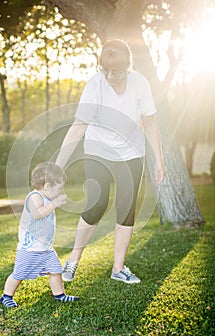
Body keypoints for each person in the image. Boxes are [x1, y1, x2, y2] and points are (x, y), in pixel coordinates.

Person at [55, 39, 165, 284]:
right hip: (97, 150)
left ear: (128, 67)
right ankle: (72, 261)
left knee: (126, 208)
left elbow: (150, 122)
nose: (109, 75)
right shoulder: (95, 85)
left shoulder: (140, 84)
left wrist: (159, 157)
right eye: (105, 70)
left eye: (115, 71)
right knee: (96, 203)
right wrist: (59, 164)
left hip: (131, 153)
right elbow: (78, 126)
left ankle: (118, 268)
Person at [0, 162, 79, 308]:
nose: (60, 191)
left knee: (55, 271)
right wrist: (54, 203)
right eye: (59, 188)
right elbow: (37, 214)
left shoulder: (47, 199)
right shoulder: (34, 197)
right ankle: (6, 296)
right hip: (30, 249)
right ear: (48, 186)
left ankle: (59, 294)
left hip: (46, 248)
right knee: (19, 274)